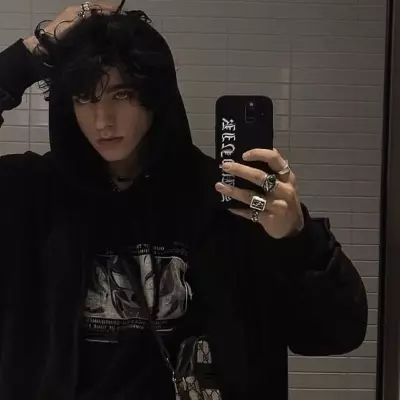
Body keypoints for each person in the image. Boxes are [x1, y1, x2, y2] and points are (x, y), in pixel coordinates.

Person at [0, 2, 367, 399]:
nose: (103, 120)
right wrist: (33, 52)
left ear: (155, 95)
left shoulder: (226, 197)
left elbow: (337, 332)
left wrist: (298, 237)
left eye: (122, 94)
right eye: (85, 98)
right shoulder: (32, 193)